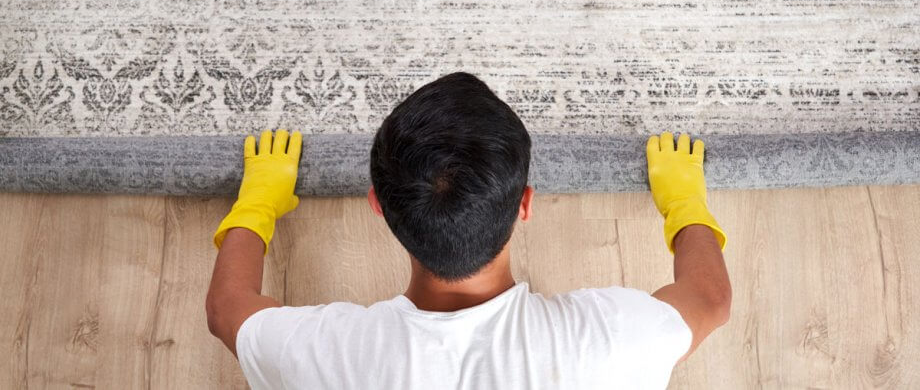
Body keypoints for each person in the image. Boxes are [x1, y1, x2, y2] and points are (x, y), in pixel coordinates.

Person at [206, 72, 731, 389]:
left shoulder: (329, 355)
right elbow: (708, 299)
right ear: (525, 205)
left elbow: (228, 309)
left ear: (379, 208)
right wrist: (683, 202)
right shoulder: (606, 343)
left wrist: (257, 204)